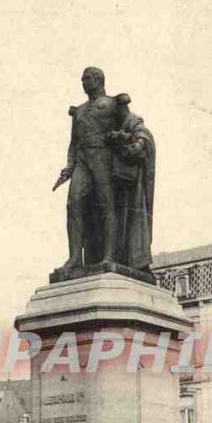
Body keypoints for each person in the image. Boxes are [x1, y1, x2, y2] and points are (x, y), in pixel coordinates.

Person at [54, 67, 130, 274]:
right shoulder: (78, 110)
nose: (83, 82)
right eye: (82, 79)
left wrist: (119, 137)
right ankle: (75, 258)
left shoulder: (114, 103)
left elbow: (130, 128)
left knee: (106, 205)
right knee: (74, 204)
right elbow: (73, 142)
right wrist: (69, 165)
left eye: (87, 78)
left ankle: (109, 255)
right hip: (82, 160)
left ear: (98, 79)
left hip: (104, 157)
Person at [108, 102, 155, 271]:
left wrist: (136, 144)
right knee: (120, 219)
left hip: (131, 181)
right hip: (118, 180)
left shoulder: (133, 120)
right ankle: (123, 256)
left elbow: (143, 135)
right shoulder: (116, 124)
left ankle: (138, 259)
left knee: (133, 219)